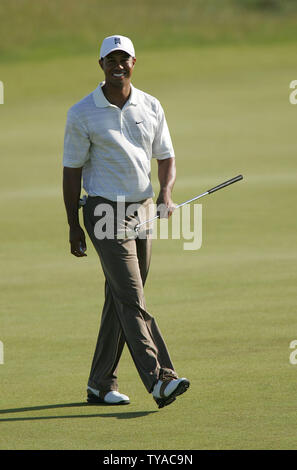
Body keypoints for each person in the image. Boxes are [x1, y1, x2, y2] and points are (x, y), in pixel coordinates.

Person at [62, 35, 189, 408]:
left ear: (135, 62)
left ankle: (100, 383)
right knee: (132, 297)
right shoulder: (82, 112)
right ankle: (160, 378)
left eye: (125, 59)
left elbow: (165, 157)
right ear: (100, 64)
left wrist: (165, 194)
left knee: (120, 297)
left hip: (144, 209)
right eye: (110, 59)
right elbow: (71, 173)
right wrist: (73, 224)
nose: (118, 65)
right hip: (103, 212)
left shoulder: (150, 105)